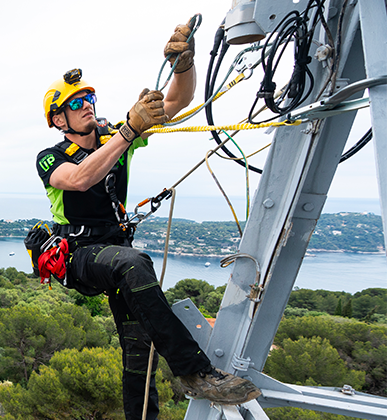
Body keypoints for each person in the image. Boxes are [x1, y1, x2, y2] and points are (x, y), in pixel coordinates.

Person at [34, 21, 261, 419]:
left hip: (116, 253)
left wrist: (183, 65)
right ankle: (196, 373)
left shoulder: (112, 136)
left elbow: (175, 103)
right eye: (74, 103)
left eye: (89, 98)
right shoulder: (51, 157)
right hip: (81, 257)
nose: (86, 104)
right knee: (135, 263)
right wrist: (128, 132)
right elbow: (82, 177)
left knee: (140, 350)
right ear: (58, 120)